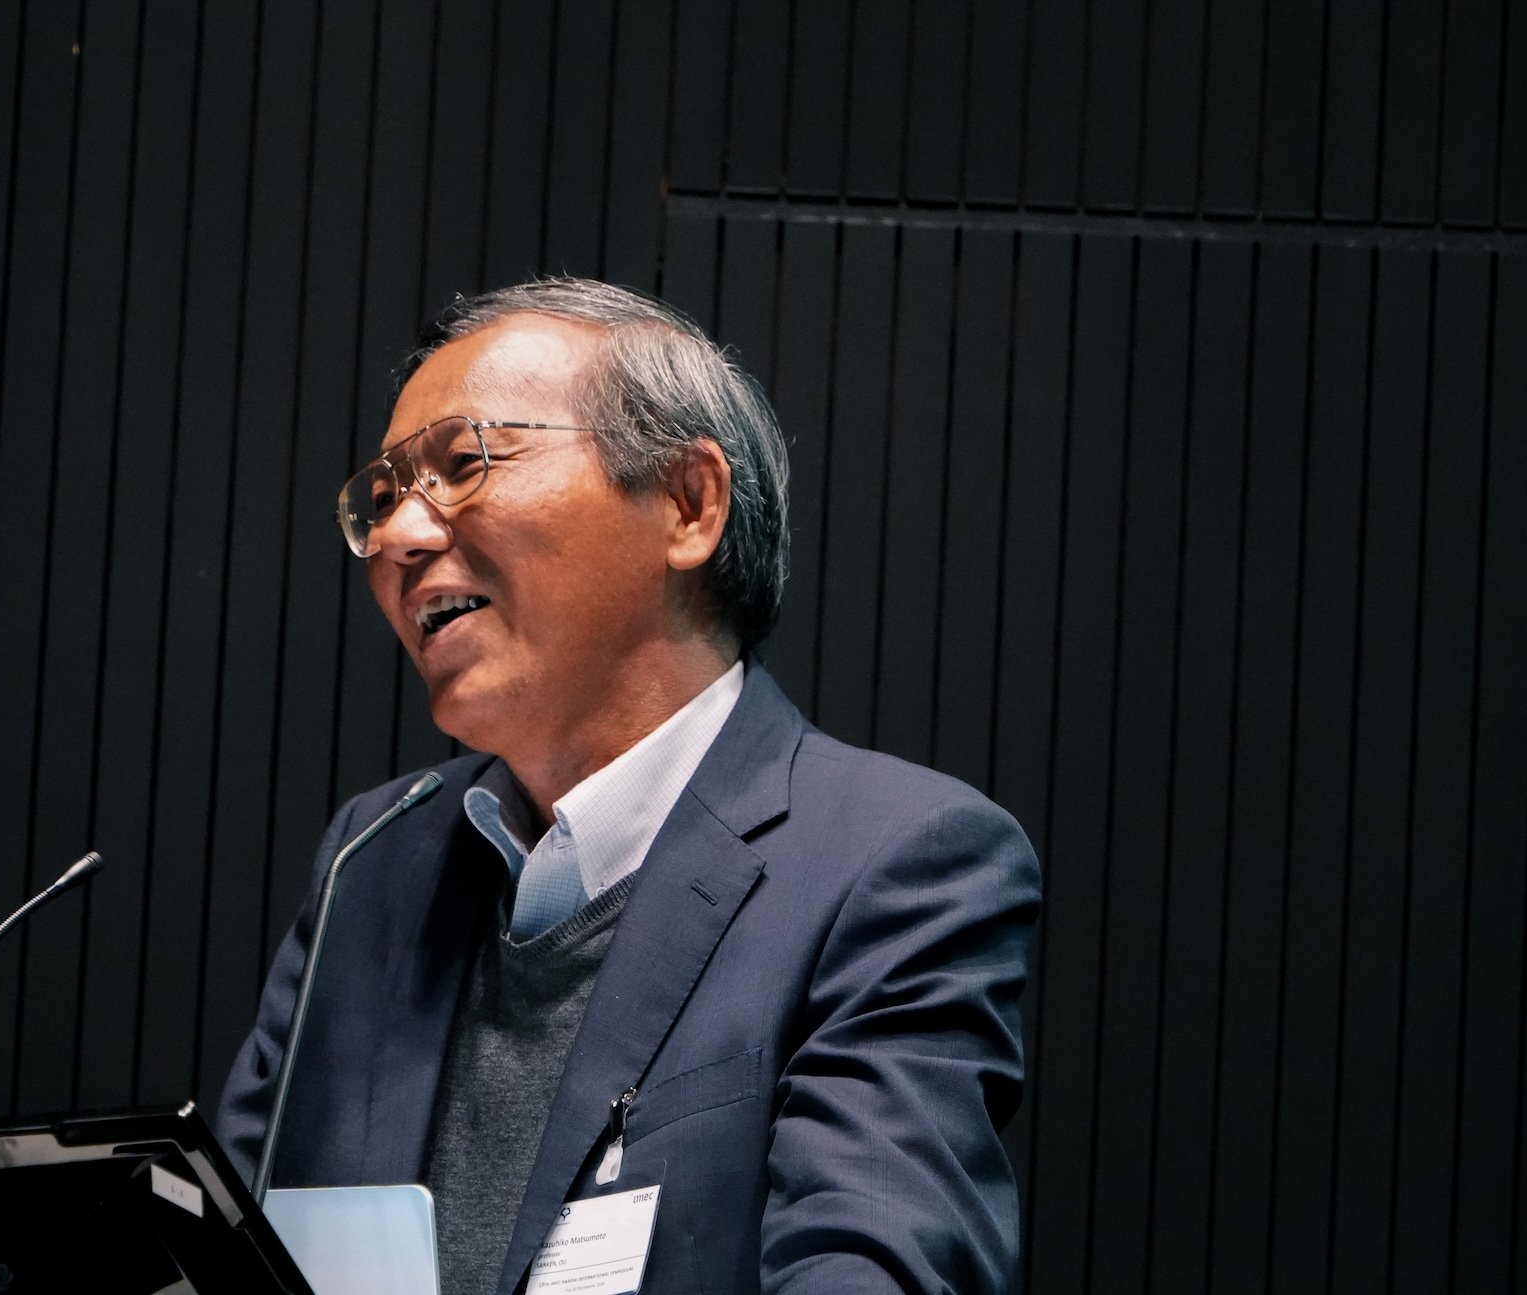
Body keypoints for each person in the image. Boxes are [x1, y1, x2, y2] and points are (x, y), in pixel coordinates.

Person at [215, 278, 1041, 1295]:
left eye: (463, 464)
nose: (397, 536)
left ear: (688, 503)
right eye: (381, 499)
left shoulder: (893, 864)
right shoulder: (372, 858)